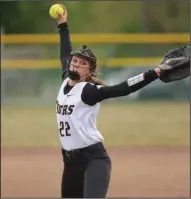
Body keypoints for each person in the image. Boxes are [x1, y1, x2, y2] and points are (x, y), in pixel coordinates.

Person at [55, 7, 162, 198]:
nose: (76, 64)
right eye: (75, 61)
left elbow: (123, 88)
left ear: (89, 71)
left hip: (93, 159)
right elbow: (65, 52)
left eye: (82, 64)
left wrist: (153, 74)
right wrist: (63, 25)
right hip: (70, 162)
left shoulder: (89, 92)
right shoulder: (65, 80)